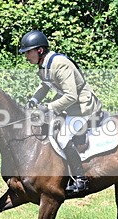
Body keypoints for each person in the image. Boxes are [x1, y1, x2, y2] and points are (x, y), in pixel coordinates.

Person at [19, 30, 102, 194]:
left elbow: (71, 96)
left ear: (39, 51)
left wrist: (48, 107)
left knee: (63, 137)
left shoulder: (59, 64)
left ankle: (80, 179)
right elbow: (45, 85)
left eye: (28, 52)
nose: (26, 56)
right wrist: (34, 100)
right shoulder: (44, 65)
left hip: (83, 108)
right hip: (68, 106)